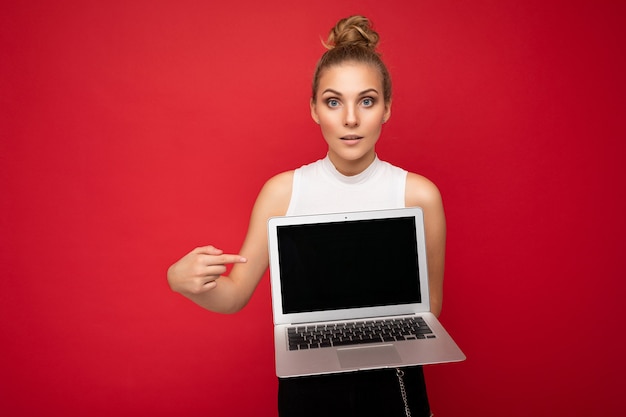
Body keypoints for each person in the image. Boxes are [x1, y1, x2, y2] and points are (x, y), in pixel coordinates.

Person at [167, 15, 445, 417]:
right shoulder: (282, 192)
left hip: (393, 377)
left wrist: (370, 326)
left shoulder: (419, 195)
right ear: (314, 109)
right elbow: (234, 295)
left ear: (386, 109)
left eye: (367, 101)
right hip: (309, 387)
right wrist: (185, 283)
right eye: (334, 101)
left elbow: (430, 307)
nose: (351, 119)